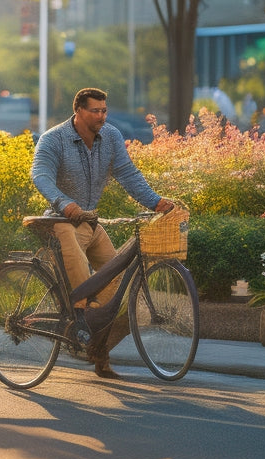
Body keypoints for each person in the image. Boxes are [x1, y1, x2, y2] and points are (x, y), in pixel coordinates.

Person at [31, 87, 174, 379]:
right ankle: (80, 316)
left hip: (90, 222)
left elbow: (128, 174)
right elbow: (40, 174)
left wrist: (156, 202)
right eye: (94, 111)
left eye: (104, 110)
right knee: (78, 267)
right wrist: (64, 203)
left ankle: (97, 348)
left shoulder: (110, 137)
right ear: (78, 112)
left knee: (118, 284)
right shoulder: (53, 139)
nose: (101, 116)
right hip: (60, 220)